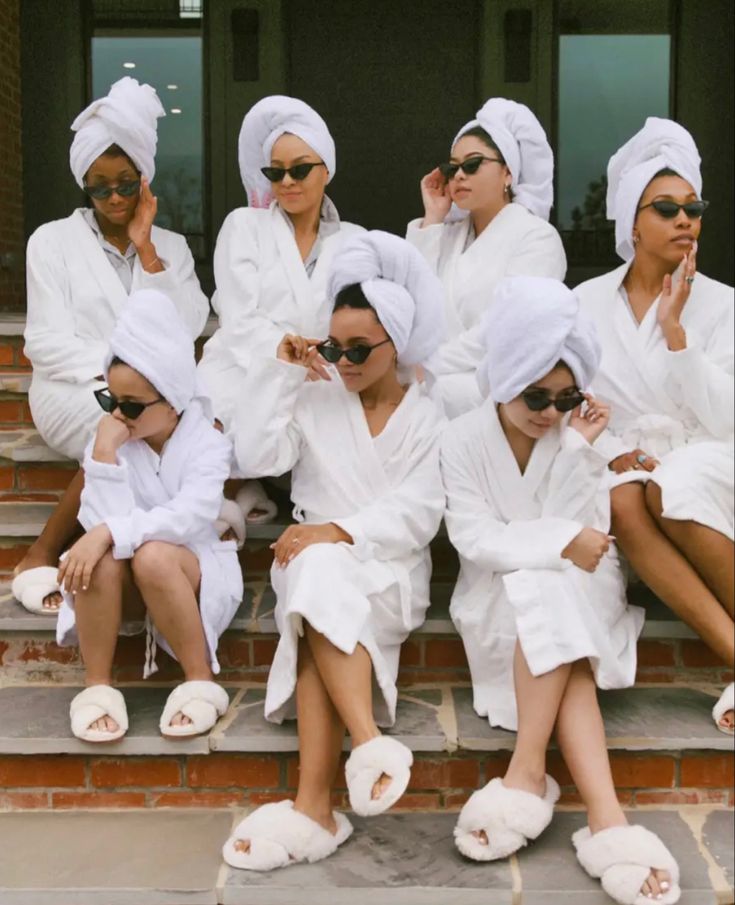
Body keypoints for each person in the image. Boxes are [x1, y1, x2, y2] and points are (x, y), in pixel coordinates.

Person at [441, 276, 680, 905]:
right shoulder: (462, 438)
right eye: (536, 394)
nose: (550, 411)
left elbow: (594, 543)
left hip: (581, 586)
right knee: (552, 619)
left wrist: (580, 450)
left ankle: (526, 774)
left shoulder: (574, 435)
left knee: (553, 600)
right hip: (498, 592)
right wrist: (555, 541)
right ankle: (608, 821)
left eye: (566, 395)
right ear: (504, 376)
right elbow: (472, 535)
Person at [221, 231, 446, 871]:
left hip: (387, 566)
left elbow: (423, 512)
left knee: (317, 588)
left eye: (358, 349)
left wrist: (338, 531)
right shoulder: (315, 395)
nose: (342, 361)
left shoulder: (429, 416)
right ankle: (364, 749)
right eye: (332, 346)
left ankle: (316, 805)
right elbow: (258, 456)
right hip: (315, 559)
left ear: (395, 344)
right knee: (317, 579)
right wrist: (281, 371)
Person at [13, 77, 210, 616]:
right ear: (85, 186)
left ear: (144, 180)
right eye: (101, 188)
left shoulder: (169, 247)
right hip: (71, 389)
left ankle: (132, 551)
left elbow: (189, 321)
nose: (116, 198)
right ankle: (43, 551)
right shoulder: (50, 242)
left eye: (126, 184)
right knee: (121, 426)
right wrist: (121, 380)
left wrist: (148, 253)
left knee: (175, 418)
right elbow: (45, 343)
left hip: (147, 393)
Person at [575, 118, 734, 735]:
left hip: (707, 452)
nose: (685, 219)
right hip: (622, 462)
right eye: (666, 208)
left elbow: (725, 416)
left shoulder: (721, 303)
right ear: (632, 223)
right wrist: (616, 451)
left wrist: (675, 334)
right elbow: (570, 400)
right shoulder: (586, 302)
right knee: (625, 498)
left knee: (675, 486)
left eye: (693, 207)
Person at [55, 289, 242, 743]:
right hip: (122, 573)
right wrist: (102, 454)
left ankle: (199, 679)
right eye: (110, 400)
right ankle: (98, 687)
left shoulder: (208, 444)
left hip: (189, 563)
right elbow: (99, 519)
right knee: (100, 556)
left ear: (174, 399)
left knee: (153, 554)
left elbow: (191, 517)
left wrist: (109, 532)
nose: (118, 415)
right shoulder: (111, 438)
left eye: (133, 406)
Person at [196, 95, 363, 522]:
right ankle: (231, 492)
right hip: (247, 360)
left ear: (326, 168)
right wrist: (285, 353)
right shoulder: (243, 226)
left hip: (326, 369)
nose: (287, 181)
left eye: (300, 169)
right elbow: (238, 314)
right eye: (276, 172)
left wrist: (317, 356)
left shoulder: (355, 241)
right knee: (226, 412)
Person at [406, 97, 566, 418]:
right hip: (426, 389)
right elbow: (409, 305)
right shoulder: (443, 233)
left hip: (494, 396)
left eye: (473, 164)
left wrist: (429, 366)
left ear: (507, 172)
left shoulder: (536, 237)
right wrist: (433, 218)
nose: (459, 175)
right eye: (453, 168)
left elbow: (506, 326)